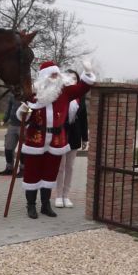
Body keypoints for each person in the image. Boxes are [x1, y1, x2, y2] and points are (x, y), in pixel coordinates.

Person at [16, 60, 95, 219]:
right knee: (32, 173)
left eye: (56, 73)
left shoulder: (65, 92)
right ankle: (31, 206)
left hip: (56, 141)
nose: (55, 76)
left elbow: (83, 87)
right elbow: (24, 116)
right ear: (44, 77)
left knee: (50, 173)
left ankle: (46, 205)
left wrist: (87, 72)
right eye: (52, 74)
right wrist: (24, 112)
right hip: (35, 140)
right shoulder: (33, 95)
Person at [54, 69, 89, 208]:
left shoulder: (81, 97)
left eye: (75, 78)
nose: (72, 80)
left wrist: (85, 138)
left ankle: (66, 195)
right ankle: (58, 196)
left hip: (75, 134)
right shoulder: (59, 94)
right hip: (61, 134)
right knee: (60, 167)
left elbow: (84, 118)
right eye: (69, 78)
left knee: (70, 167)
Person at [0, 93, 24, 178]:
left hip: (23, 125)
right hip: (12, 125)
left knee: (23, 149)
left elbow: (31, 110)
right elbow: (9, 110)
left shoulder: (27, 96)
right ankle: (9, 168)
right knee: (8, 147)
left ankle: (23, 169)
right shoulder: (12, 96)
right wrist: (4, 119)